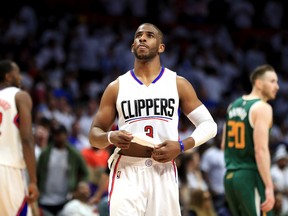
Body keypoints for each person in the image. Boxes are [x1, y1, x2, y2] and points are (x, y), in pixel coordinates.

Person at [89, 23, 217, 216]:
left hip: (163, 171)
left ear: (161, 47)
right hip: (127, 170)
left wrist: (182, 146)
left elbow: (209, 125)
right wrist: (110, 137)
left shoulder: (177, 83)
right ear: (133, 46)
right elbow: (94, 134)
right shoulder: (116, 87)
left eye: (149, 35)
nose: (142, 38)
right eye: (138, 35)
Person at [222, 64, 279, 216]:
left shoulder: (232, 106)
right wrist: (268, 186)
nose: (277, 86)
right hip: (250, 176)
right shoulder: (263, 108)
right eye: (272, 81)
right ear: (259, 83)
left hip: (230, 177)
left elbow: (223, 145)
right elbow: (260, 150)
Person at [0, 60, 39, 215]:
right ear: (8, 77)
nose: (21, 78)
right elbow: (27, 140)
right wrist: (34, 181)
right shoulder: (20, 96)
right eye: (17, 73)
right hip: (9, 168)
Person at [37, 124, 89, 215]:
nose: (58, 137)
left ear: (66, 135)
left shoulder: (74, 154)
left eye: (60, 134)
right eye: (55, 134)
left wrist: (81, 184)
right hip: (45, 199)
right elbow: (37, 173)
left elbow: (85, 172)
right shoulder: (45, 153)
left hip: (65, 200)